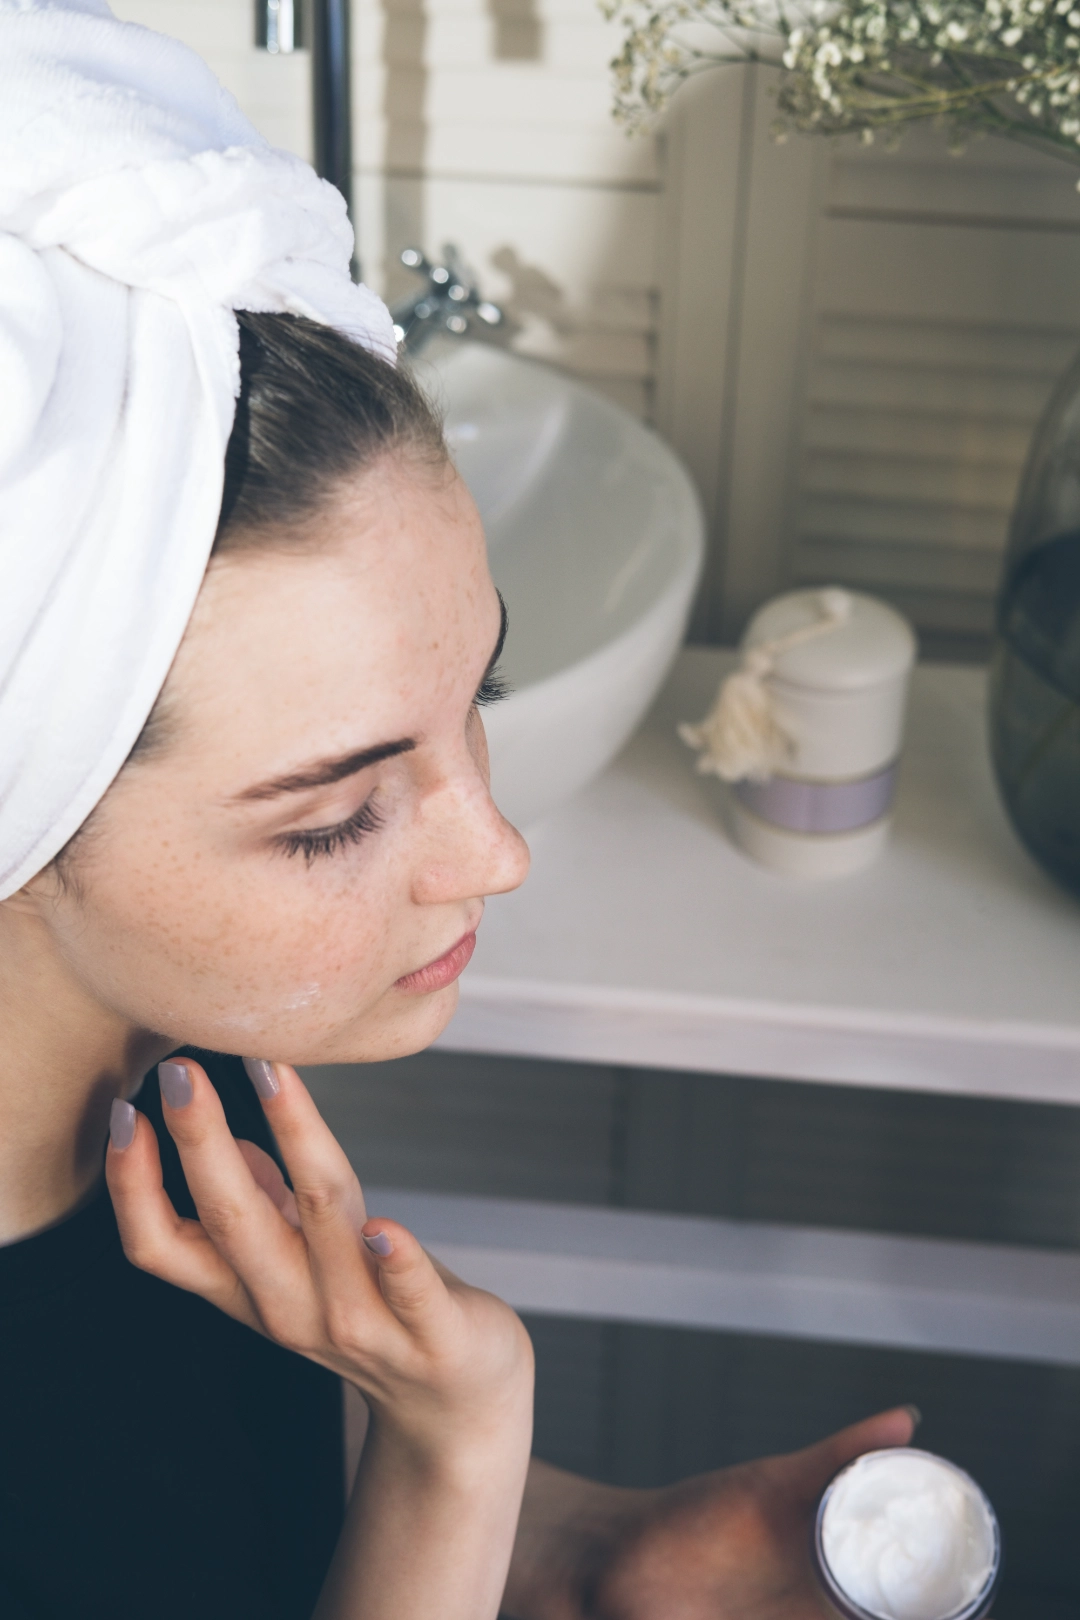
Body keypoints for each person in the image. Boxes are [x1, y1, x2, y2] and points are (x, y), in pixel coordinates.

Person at [0, 3, 918, 1616]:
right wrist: (457, 1448)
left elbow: (207, 1507)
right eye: (335, 818)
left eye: (478, 693)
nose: (497, 851)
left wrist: (595, 1556)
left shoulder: (164, 1056)